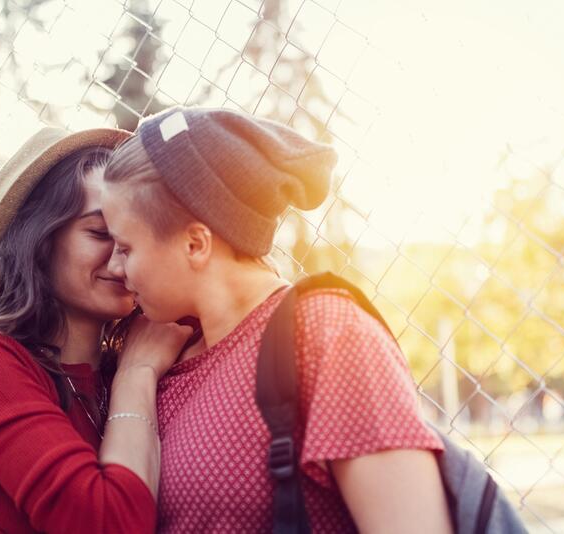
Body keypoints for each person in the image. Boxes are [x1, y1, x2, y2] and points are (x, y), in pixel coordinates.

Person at [101, 107, 452, 533]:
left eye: (125, 247)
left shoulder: (327, 333)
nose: (115, 267)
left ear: (195, 244)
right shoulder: (166, 357)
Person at [0, 127, 194, 533]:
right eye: (101, 233)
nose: (123, 256)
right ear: (38, 239)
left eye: (133, 235)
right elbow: (107, 524)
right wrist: (136, 375)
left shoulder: (137, 356)